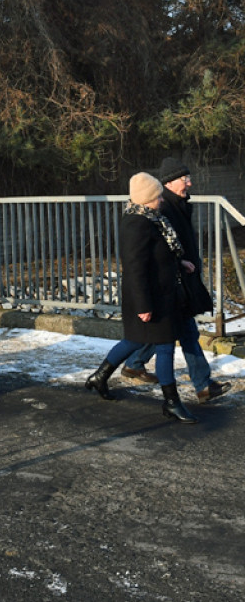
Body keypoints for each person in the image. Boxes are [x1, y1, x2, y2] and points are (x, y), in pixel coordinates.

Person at [84, 173, 197, 423]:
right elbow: (135, 268)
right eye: (157, 197)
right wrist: (144, 305)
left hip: (160, 294)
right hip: (149, 297)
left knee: (134, 340)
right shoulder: (136, 224)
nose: (161, 200)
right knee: (165, 346)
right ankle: (172, 403)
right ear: (146, 199)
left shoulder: (153, 219)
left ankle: (100, 377)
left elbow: (158, 256)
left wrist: (180, 263)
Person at [120, 158, 231, 404]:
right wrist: (180, 265)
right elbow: (153, 255)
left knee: (171, 330)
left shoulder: (177, 204)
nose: (189, 183)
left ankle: (134, 363)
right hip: (172, 282)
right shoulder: (162, 208)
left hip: (179, 277)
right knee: (185, 330)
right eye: (184, 179)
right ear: (169, 183)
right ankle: (202, 385)